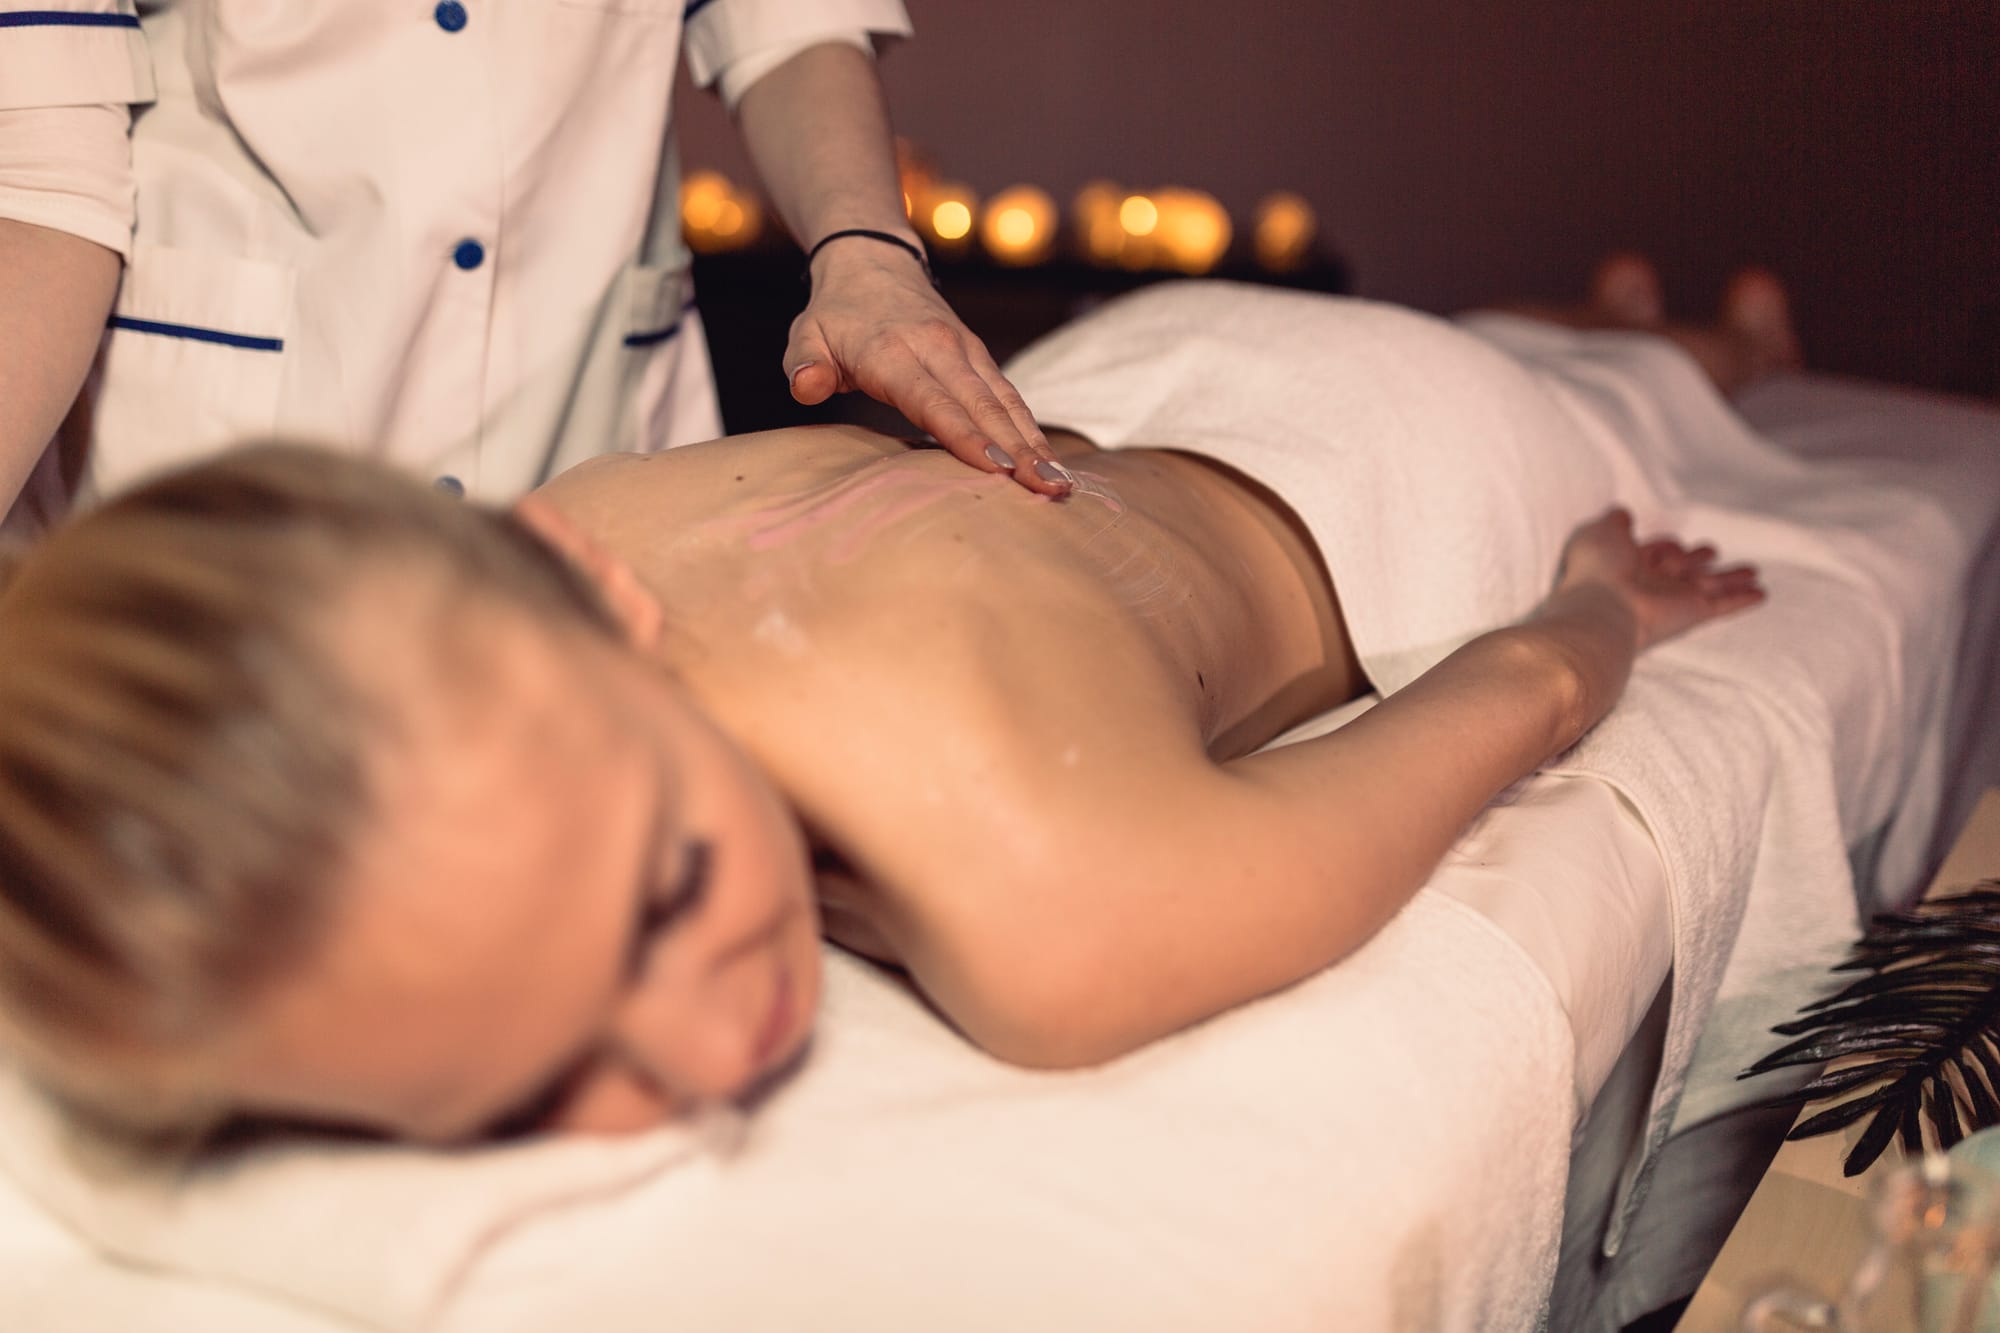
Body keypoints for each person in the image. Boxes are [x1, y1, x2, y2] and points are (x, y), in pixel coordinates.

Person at [0, 261, 1786, 1145]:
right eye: (550, 1084)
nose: (712, 1042)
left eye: (669, 890)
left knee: (1632, 407)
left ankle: (1711, 347)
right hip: (1122, 363)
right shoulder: (538, 567)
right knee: (1546, 343)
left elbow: (1528, 683)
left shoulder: (1056, 900)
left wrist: (1599, 599)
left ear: (590, 600)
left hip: (1390, 459)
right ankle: (1598, 313)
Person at [0, 0, 1068, 541]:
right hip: (212, 464)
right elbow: (43, 185)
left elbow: (783, 19)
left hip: (581, 426)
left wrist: (867, 253)